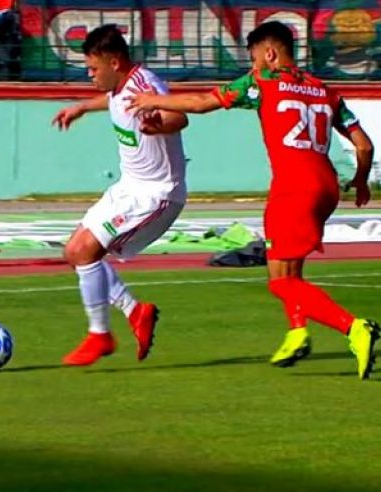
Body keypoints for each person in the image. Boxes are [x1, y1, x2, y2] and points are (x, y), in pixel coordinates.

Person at [125, 21, 379, 380]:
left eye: (255, 57)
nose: (252, 65)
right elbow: (364, 145)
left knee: (280, 282)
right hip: (326, 187)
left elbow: (201, 103)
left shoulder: (262, 82)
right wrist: (361, 182)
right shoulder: (325, 90)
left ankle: (354, 328)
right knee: (287, 268)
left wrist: (152, 99)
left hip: (292, 188)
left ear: (270, 54)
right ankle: (296, 332)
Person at [52, 25, 189, 366]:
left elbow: (178, 115)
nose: (89, 74)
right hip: (129, 187)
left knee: (85, 250)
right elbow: (113, 99)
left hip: (156, 195)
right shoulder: (120, 86)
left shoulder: (146, 86)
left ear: (114, 62)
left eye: (93, 68)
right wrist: (83, 107)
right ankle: (134, 312)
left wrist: (161, 123)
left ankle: (100, 336)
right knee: (75, 251)